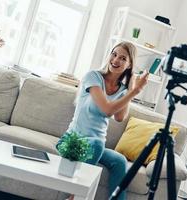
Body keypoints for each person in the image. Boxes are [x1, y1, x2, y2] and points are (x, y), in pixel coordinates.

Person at [57, 42, 149, 200]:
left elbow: (120, 118)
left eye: (122, 58)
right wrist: (134, 92)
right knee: (97, 144)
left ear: (129, 65)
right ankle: (74, 197)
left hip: (95, 145)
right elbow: (107, 109)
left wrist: (130, 88)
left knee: (119, 160)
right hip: (73, 141)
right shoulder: (93, 77)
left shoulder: (123, 89)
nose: (115, 60)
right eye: (114, 54)